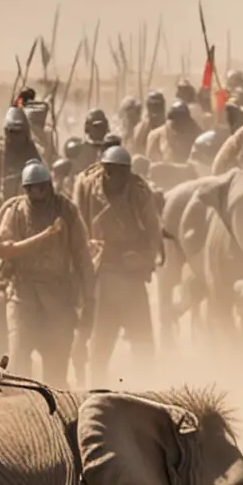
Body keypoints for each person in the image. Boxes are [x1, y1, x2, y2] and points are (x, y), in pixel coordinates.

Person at [0, 159, 94, 387]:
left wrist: (89, 303)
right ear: (25, 189)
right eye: (32, 188)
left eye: (42, 187)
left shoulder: (66, 211)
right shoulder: (16, 211)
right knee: (18, 365)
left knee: (56, 370)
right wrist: (44, 236)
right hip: (22, 295)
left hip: (58, 297)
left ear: (49, 185)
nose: (38, 193)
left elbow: (83, 260)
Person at [73, 144, 162, 378]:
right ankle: (95, 387)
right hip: (101, 269)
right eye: (109, 170)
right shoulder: (88, 187)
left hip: (131, 271)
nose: (114, 177)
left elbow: (154, 234)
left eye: (120, 171)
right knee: (99, 341)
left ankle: (146, 387)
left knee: (143, 344)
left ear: (128, 172)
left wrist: (142, 259)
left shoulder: (140, 192)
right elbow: (78, 224)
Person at [146, 99, 198, 165]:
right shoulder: (156, 136)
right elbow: (152, 163)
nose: (180, 121)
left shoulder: (196, 133)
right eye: (178, 118)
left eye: (182, 117)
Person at [131, 90, 166, 156]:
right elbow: (137, 148)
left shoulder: (169, 127)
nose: (155, 110)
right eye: (153, 106)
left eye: (158, 106)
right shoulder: (141, 128)